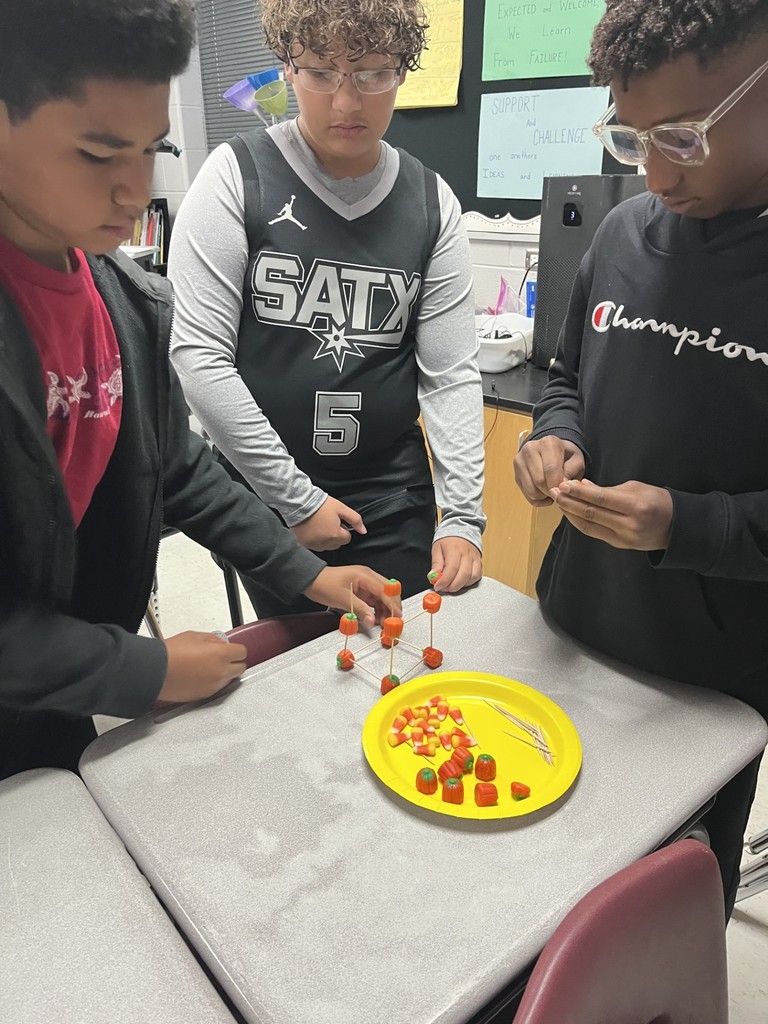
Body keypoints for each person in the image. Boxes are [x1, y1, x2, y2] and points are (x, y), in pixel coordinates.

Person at [0, 0, 399, 782]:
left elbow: (176, 468)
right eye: (96, 153)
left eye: (152, 149)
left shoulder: (124, 298)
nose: (134, 191)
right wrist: (145, 672)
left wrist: (305, 572)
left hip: (48, 700)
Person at [514, 0, 768, 916]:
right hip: (570, 631)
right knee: (545, 889)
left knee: (669, 909)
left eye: (685, 137)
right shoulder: (620, 235)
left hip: (710, 686)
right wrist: (554, 438)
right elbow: (564, 377)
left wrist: (687, 523)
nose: (655, 171)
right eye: (631, 137)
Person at [167, 0, 485, 620]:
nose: (347, 102)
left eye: (372, 74)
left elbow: (450, 375)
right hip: (267, 498)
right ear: (287, 69)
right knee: (300, 677)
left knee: (405, 662)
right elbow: (198, 357)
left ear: (402, 70)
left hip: (391, 497)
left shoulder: (432, 203)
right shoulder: (234, 178)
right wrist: (295, 501)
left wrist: (465, 517)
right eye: (320, 73)